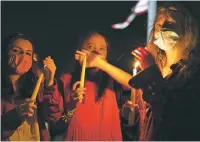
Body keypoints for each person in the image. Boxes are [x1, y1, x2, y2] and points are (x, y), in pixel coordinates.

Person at [75, 4, 200, 141]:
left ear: (187, 30)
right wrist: (131, 120)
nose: (162, 27)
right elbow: (145, 128)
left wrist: (151, 72)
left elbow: (172, 119)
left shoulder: (192, 74)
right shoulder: (156, 72)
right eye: (158, 24)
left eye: (170, 22)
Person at [49, 32, 122, 141]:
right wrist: (72, 105)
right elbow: (56, 125)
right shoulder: (65, 80)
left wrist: (101, 64)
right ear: (80, 51)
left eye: (102, 49)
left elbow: (133, 84)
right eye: (91, 47)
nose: (96, 52)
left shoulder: (115, 79)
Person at [1, 33, 63, 141]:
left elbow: (54, 117)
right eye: (15, 51)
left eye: (28, 53)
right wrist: (15, 116)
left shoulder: (37, 86)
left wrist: (50, 83)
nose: (22, 57)